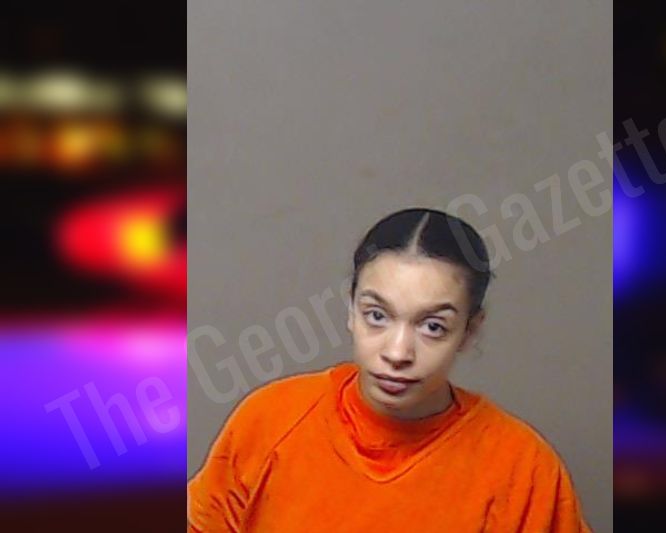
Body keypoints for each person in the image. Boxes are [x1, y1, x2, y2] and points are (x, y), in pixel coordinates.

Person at [188, 207, 591, 532]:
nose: (397, 352)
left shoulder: (522, 468)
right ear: (351, 311)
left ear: (469, 330)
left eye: (433, 326)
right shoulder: (269, 421)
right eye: (377, 316)